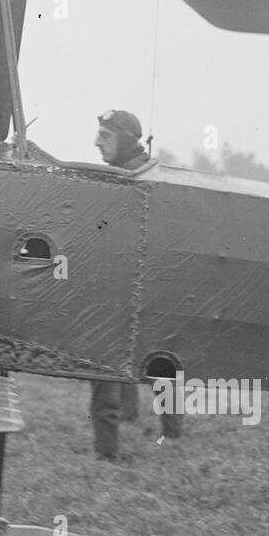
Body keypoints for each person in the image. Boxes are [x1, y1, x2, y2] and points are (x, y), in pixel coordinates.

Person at [88, 110, 181, 460]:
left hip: (122, 291)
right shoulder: (141, 173)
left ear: (125, 140)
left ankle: (107, 455)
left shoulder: (130, 179)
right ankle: (172, 438)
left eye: (105, 134)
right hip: (148, 290)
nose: (96, 141)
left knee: (105, 367)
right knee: (161, 361)